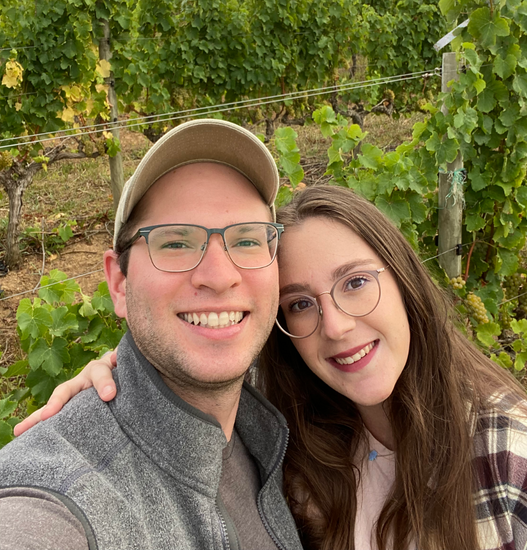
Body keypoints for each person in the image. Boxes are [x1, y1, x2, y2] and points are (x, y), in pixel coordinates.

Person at [21, 184, 527, 550]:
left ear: (405, 280)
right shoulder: (284, 432)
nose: (337, 326)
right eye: (299, 303)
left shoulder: (513, 454)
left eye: (356, 283)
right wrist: (119, 370)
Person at [0, 119, 304, 550]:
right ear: (120, 283)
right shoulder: (56, 498)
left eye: (247, 240)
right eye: (176, 243)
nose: (219, 277)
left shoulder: (291, 406)